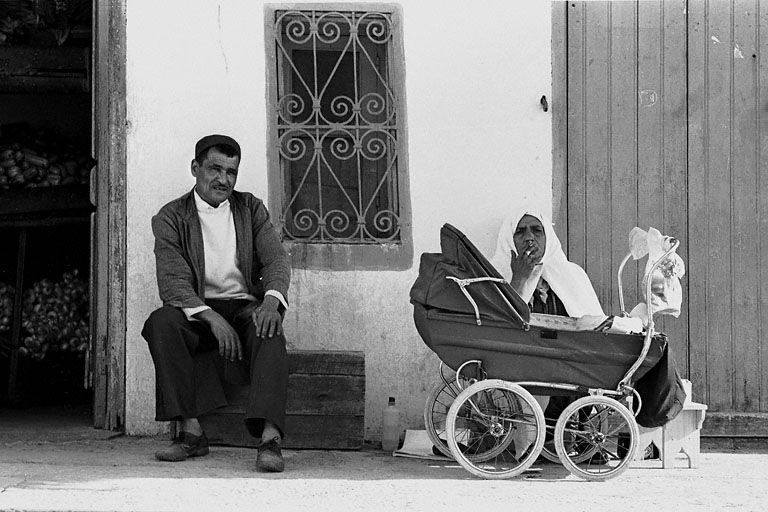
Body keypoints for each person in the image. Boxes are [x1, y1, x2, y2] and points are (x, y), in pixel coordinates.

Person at [142, 134, 291, 472]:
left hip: (244, 308)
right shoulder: (170, 217)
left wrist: (271, 301)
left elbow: (276, 261)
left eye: (231, 172)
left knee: (270, 328)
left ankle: (270, 440)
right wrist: (210, 316)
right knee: (161, 323)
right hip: (197, 311)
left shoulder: (250, 208)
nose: (223, 179)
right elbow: (173, 281)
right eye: (215, 169)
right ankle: (191, 434)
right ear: (196, 168)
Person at [490, 207, 604, 459]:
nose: (529, 237)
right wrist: (519, 278)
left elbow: (593, 326)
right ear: (510, 239)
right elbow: (499, 328)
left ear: (548, 237)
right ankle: (525, 443)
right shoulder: (496, 275)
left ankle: (579, 439)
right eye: (520, 232)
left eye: (536, 230)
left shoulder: (572, 275)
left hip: (566, 366)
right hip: (519, 368)